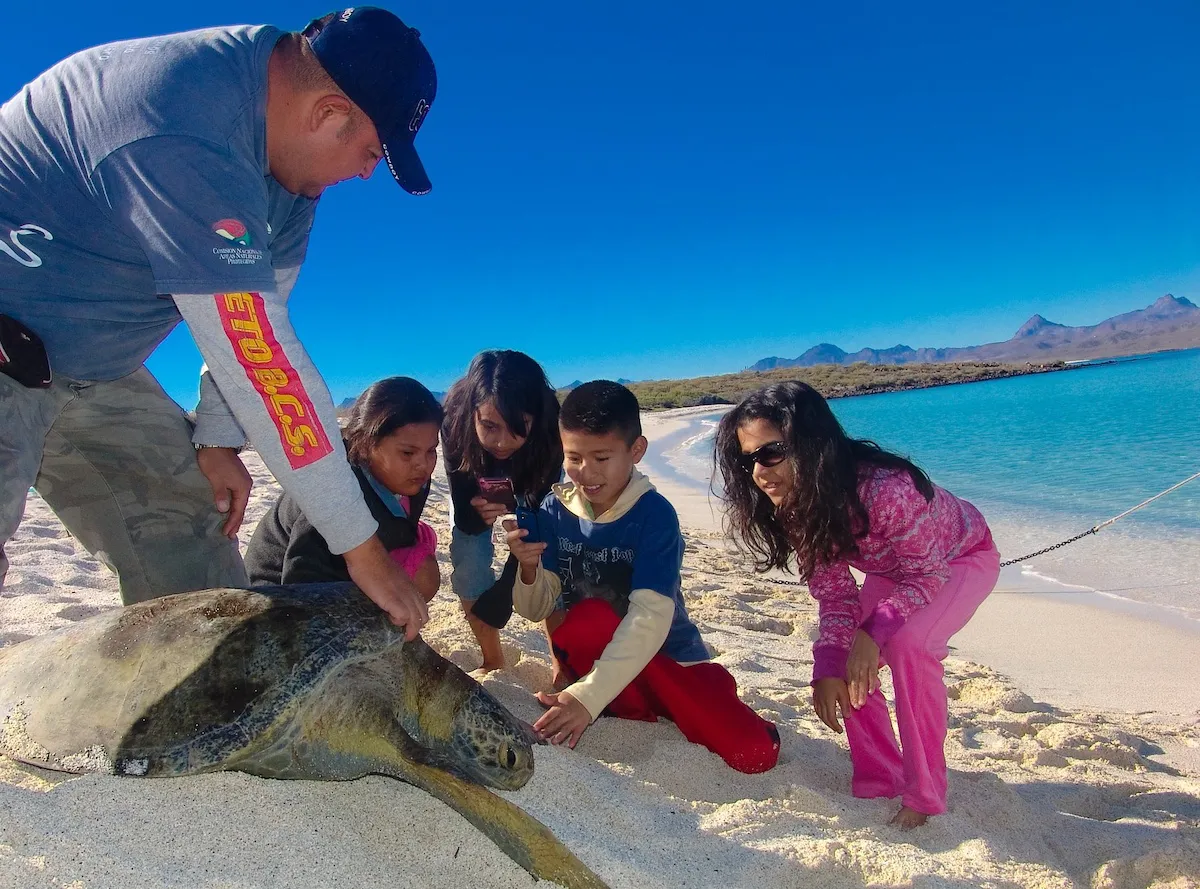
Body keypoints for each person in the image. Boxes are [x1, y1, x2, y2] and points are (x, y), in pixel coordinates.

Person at [0, 7, 436, 638]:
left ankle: (207, 720)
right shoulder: (183, 124)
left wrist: (216, 436)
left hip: (92, 363)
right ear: (328, 114)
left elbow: (260, 321)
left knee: (186, 522)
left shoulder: (292, 182)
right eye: (372, 151)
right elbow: (260, 359)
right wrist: (361, 549)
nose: (367, 172)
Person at [713, 381, 1000, 826]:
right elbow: (835, 594)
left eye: (771, 453)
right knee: (846, 658)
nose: (759, 471)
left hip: (960, 558)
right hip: (895, 572)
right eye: (748, 459)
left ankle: (925, 794)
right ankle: (879, 777)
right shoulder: (793, 503)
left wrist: (874, 632)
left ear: (811, 444)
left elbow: (927, 574)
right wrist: (827, 667)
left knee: (908, 647)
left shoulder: (888, 489)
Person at [504, 381, 780, 774]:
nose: (586, 473)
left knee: (754, 754)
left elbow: (650, 617)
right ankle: (624, 705)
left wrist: (587, 696)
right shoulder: (553, 510)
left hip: (664, 658)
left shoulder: (655, 516)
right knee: (588, 620)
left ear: (636, 451)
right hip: (598, 656)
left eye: (601, 457)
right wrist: (528, 568)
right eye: (574, 457)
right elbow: (536, 610)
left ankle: (692, 694)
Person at [244, 376, 441, 599]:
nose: (423, 465)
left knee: (424, 546)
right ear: (366, 445)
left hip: (348, 564)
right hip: (276, 593)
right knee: (421, 572)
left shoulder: (411, 477)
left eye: (431, 451)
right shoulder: (333, 489)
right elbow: (302, 576)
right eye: (407, 453)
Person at [441, 350, 563, 672]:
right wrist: (475, 514)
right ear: (472, 413)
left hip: (533, 476)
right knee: (468, 559)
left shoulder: (550, 418)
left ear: (534, 417)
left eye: (517, 427)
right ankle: (492, 659)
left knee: (549, 557)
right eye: (490, 426)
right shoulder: (453, 417)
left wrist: (516, 567)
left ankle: (560, 667)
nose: (502, 442)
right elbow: (463, 509)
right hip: (476, 477)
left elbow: (541, 506)